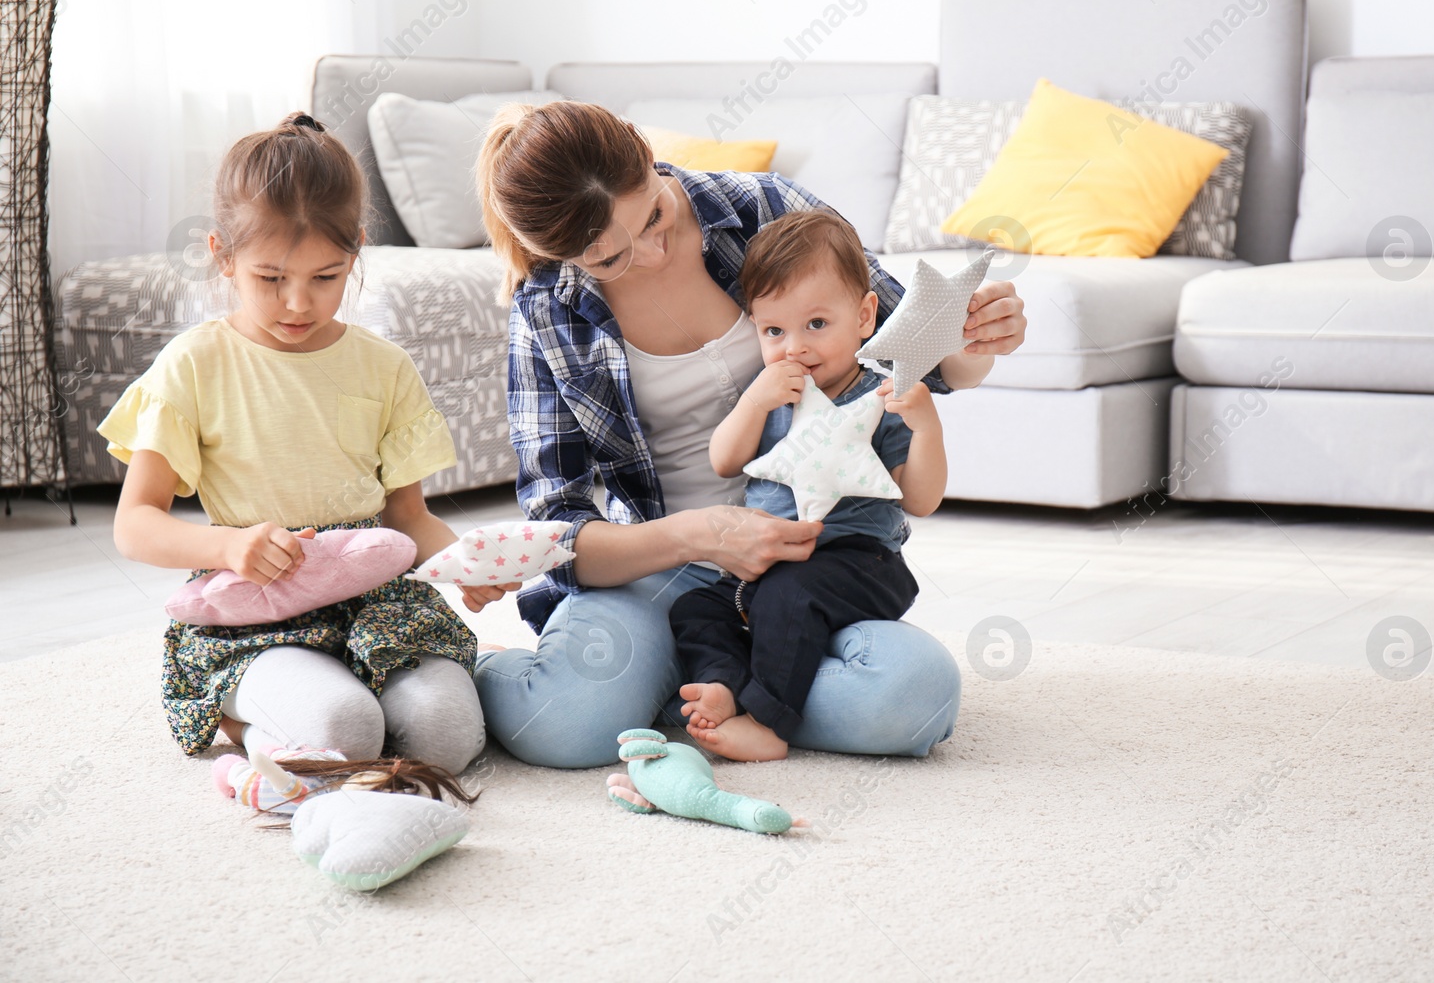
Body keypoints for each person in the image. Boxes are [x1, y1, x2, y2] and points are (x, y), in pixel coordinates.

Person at [473, 99, 1028, 769]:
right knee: (559, 725)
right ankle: (679, 678)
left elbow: (909, 355)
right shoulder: (547, 309)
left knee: (918, 696)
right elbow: (556, 533)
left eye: (653, 213)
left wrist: (979, 339)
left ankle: (703, 686)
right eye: (610, 257)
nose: (652, 251)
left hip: (809, 570)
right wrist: (699, 536)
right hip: (660, 571)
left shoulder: (765, 210)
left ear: (643, 151)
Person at [100, 111, 515, 777]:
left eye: (326, 277)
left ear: (355, 251)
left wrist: (468, 564)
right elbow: (134, 525)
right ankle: (237, 717)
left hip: (375, 599)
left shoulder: (385, 368)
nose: (298, 302)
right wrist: (227, 546)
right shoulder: (194, 364)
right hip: (256, 608)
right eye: (270, 278)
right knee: (344, 729)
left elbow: (406, 519)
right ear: (222, 255)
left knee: (447, 736)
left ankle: (328, 708)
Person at [672, 210, 946, 762]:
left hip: (860, 563)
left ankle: (771, 725)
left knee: (787, 595)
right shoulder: (774, 393)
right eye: (775, 330)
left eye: (816, 325)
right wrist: (754, 401)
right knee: (695, 607)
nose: (795, 347)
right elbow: (724, 461)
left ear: (865, 315)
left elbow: (921, 499)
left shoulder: (880, 399)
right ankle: (724, 682)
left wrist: (927, 426)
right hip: (766, 567)